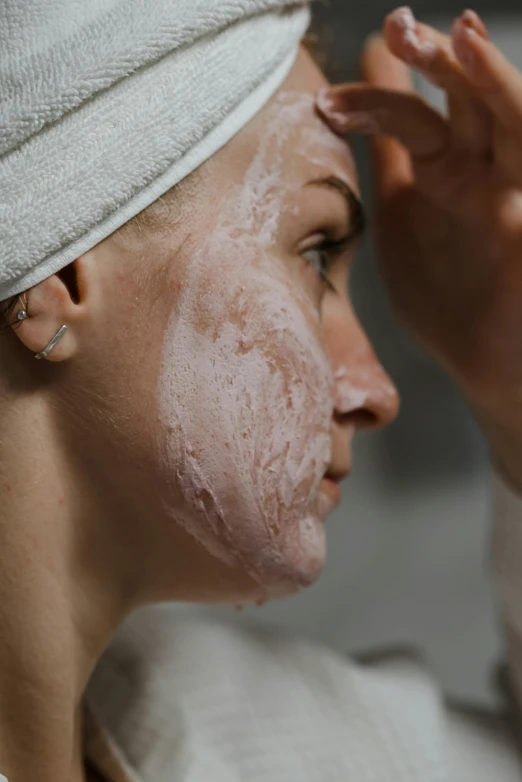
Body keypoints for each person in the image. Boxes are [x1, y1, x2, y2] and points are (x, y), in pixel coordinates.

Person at [1, 0, 522, 780]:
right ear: (59, 278)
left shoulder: (264, 732)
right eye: (314, 254)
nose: (376, 394)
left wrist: (511, 383)